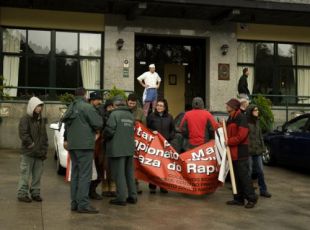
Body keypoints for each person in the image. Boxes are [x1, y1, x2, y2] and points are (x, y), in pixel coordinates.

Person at [62, 87, 103, 214]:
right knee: (85, 175)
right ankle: (83, 204)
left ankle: (74, 203)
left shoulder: (71, 106)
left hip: (73, 146)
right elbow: (98, 123)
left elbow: (66, 125)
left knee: (75, 174)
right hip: (84, 145)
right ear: (85, 95)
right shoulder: (87, 107)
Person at [103, 96, 137, 206]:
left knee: (119, 174)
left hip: (117, 148)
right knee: (129, 173)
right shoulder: (130, 115)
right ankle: (132, 196)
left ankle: (121, 197)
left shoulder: (114, 115)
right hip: (129, 148)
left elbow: (109, 131)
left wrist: (104, 135)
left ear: (115, 105)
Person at [225, 98, 258, 209]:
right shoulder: (230, 118)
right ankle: (238, 199)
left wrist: (229, 141)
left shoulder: (241, 117)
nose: (226, 107)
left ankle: (251, 198)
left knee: (244, 177)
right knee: (236, 177)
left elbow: (241, 136)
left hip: (240, 152)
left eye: (228, 105)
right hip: (233, 153)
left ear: (233, 107)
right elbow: (228, 130)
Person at [17, 97, 48, 203]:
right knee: (25, 174)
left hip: (39, 153)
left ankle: (35, 193)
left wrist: (44, 149)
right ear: (32, 106)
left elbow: (44, 136)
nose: (39, 108)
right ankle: (22, 194)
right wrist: (31, 144)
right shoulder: (25, 119)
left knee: (37, 175)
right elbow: (23, 133)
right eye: (37, 106)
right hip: (28, 152)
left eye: (40, 106)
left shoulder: (41, 120)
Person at [147, 98, 175, 194]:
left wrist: (168, 139)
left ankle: (163, 186)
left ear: (165, 107)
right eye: (158, 105)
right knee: (154, 166)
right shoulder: (151, 116)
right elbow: (146, 129)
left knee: (164, 166)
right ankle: (152, 186)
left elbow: (173, 130)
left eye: (161, 106)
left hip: (165, 146)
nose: (159, 107)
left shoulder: (170, 117)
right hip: (154, 146)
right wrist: (151, 132)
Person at [246, 104, 272, 198]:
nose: (257, 112)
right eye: (255, 110)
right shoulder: (246, 123)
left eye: (257, 110)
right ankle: (249, 191)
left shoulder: (257, 121)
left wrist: (262, 147)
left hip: (258, 151)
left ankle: (263, 190)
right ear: (250, 112)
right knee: (249, 171)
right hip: (249, 151)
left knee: (260, 171)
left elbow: (260, 136)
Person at [127, 93, 146, 194]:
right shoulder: (124, 110)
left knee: (135, 164)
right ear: (127, 101)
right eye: (130, 102)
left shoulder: (140, 112)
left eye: (133, 103)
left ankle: (135, 186)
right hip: (125, 140)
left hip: (136, 142)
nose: (131, 104)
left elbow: (144, 126)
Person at [88, 91, 104, 200]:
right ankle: (89, 191)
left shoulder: (99, 110)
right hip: (89, 144)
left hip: (98, 145)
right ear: (92, 100)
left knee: (100, 170)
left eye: (99, 100)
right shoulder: (88, 110)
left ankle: (92, 190)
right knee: (90, 170)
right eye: (97, 99)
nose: (99, 101)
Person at [99, 99, 117, 197]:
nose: (110, 108)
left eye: (112, 106)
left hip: (114, 144)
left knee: (113, 166)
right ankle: (105, 185)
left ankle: (113, 185)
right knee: (105, 166)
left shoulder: (116, 116)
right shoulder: (102, 116)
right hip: (104, 144)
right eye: (109, 107)